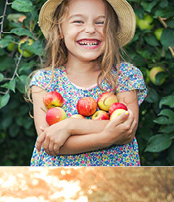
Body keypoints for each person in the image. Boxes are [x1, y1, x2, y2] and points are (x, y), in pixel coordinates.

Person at [28, 0, 146, 166]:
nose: (91, 29)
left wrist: (71, 126)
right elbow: (50, 143)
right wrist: (107, 136)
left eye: (100, 22)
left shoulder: (124, 76)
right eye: (78, 21)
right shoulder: (45, 82)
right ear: (60, 30)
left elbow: (126, 128)